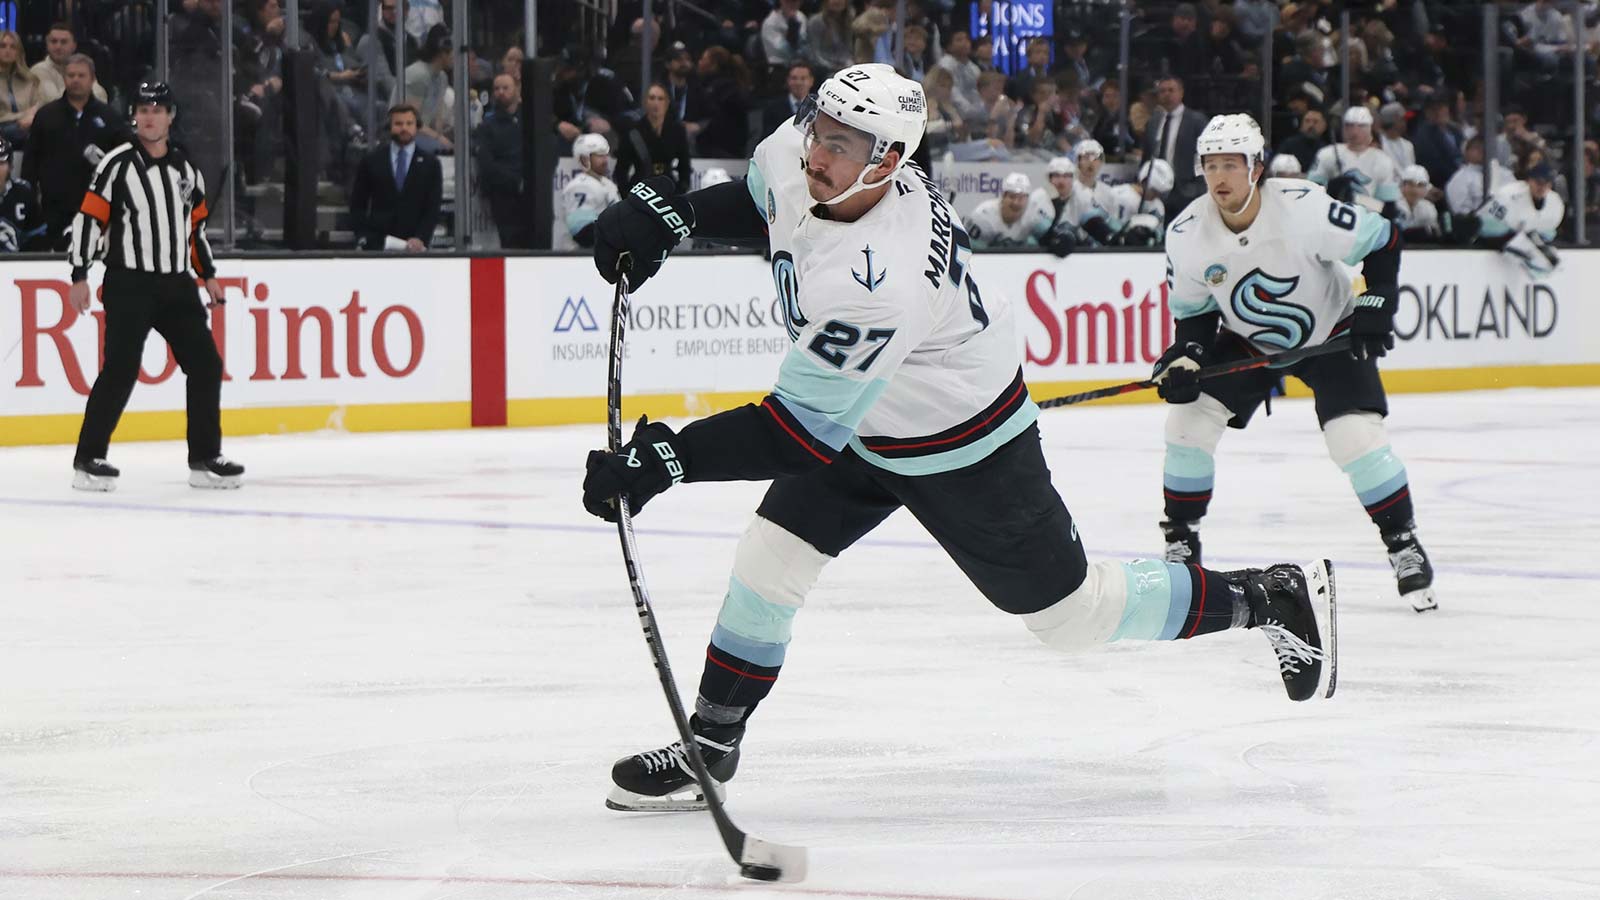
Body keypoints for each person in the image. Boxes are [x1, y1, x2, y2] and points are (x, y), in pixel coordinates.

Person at [583, 65, 1338, 811]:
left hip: (964, 446)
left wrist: (669, 459)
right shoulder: (803, 153)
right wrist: (671, 215)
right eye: (820, 128)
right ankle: (712, 745)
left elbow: (796, 434)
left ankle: (1266, 597)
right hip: (865, 417)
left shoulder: (880, 279)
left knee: (1072, 617)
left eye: (842, 145)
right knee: (769, 560)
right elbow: (765, 201)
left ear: (888, 160)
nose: (818, 152)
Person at [1156, 113, 1436, 613]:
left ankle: (1403, 544)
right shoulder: (1185, 232)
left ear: (1256, 168)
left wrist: (1378, 303)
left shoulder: (1304, 208)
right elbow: (1195, 314)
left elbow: (1384, 240)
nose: (1220, 177)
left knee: (1355, 439)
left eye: (1231, 164)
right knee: (1186, 424)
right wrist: (1187, 355)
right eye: (1210, 165)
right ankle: (1182, 540)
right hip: (1248, 343)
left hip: (1328, 333)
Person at [66, 82, 241, 492]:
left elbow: (193, 230)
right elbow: (90, 219)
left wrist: (208, 274)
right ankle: (88, 459)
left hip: (176, 283)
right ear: (134, 116)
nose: (150, 116)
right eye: (143, 109)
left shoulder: (186, 168)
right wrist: (79, 274)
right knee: (121, 369)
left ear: (170, 116)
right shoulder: (117, 164)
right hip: (130, 282)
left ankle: (204, 458)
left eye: (158, 109)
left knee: (205, 364)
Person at [20, 54, 129, 250]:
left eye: (81, 75)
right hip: (53, 208)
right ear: (64, 78)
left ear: (92, 78)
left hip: (97, 206)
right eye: (71, 75)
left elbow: (122, 161)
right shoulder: (46, 116)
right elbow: (31, 161)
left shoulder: (109, 117)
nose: (76, 80)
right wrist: (29, 197)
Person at [348, 103, 443, 251]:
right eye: (398, 123)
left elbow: (432, 207)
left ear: (416, 126)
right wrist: (363, 236)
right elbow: (358, 204)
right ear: (390, 126)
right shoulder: (372, 160)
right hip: (378, 245)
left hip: (415, 247)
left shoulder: (431, 164)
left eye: (409, 123)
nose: (404, 128)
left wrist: (421, 237)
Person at [1476, 162, 1564, 278]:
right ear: (1529, 180)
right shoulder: (1508, 195)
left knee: (1549, 258)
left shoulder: (1555, 202)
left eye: (1547, 183)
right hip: (1491, 238)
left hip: (1521, 239)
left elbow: (1547, 234)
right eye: (1539, 182)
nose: (1542, 187)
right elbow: (1484, 227)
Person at [1308, 106, 1400, 216]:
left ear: (1369, 128)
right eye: (1349, 125)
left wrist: (1358, 199)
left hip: (1368, 219)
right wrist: (1330, 189)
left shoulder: (1383, 160)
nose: (1354, 131)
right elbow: (1311, 190)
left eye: (1361, 126)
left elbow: (1388, 207)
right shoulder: (1327, 154)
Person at [475, 73, 527, 248]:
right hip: (503, 195)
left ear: (517, 89)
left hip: (532, 194)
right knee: (510, 242)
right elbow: (487, 164)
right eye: (497, 89)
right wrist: (515, 181)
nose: (500, 92)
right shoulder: (487, 126)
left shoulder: (530, 121)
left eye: (505, 88)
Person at [613, 82, 691, 195]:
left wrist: (680, 191)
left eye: (660, 99)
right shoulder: (633, 131)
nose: (656, 103)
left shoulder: (677, 131)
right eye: (652, 98)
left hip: (669, 188)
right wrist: (627, 195)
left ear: (667, 102)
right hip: (640, 188)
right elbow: (621, 170)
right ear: (645, 102)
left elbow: (685, 166)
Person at [1026, 154, 1112, 253]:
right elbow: (1040, 235)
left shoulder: (1082, 194)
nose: (1061, 181)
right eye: (1056, 176)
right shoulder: (1037, 198)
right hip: (1040, 251)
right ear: (1049, 179)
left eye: (1066, 176)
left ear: (1073, 179)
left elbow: (1095, 225)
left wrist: (1111, 237)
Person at [560, 132, 618, 249]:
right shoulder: (580, 187)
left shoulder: (608, 184)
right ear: (584, 159)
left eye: (605, 155)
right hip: (580, 257)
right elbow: (581, 232)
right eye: (599, 155)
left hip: (602, 255)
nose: (605, 160)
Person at [964, 171, 1049, 248]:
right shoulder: (983, 215)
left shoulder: (1035, 215)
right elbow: (970, 252)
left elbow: (1049, 238)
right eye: (1012, 197)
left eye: (1021, 198)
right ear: (1003, 197)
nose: (1016, 203)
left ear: (1027, 200)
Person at [29, 23, 108, 105]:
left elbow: (100, 96)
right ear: (47, 44)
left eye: (64, 42)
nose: (58, 46)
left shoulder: (83, 67)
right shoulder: (39, 70)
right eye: (54, 41)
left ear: (74, 46)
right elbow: (52, 101)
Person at [1104, 158, 1174, 245]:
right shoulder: (1118, 196)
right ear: (1144, 182)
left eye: (1160, 193)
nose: (1156, 195)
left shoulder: (1158, 207)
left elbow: (1159, 234)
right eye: (1154, 191)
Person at [0, 133, 43, 250]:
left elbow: (38, 238)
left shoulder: (23, 193)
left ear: (10, 167)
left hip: (16, 265)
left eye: (1, 163)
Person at [0, 28, 42, 146]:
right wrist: (24, 117)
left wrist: (31, 116)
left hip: (27, 126)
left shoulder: (30, 80)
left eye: (13, 47)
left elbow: (37, 105)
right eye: (2, 46)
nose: (7, 50)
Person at [762, 61, 813, 145]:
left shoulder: (819, 109)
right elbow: (767, 138)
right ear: (788, 80)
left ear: (811, 81)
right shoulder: (772, 108)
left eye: (803, 78)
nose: (798, 82)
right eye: (794, 78)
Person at [1396, 164, 1442, 242]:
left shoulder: (1428, 208)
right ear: (1402, 186)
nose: (1415, 190)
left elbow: (1434, 234)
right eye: (1410, 184)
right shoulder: (1393, 206)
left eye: (1420, 185)